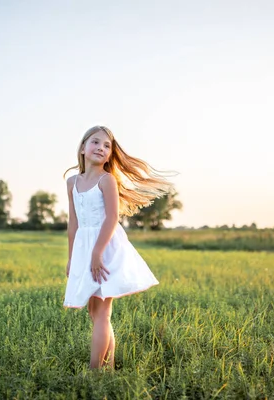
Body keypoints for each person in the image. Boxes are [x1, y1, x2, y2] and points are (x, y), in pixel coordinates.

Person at [63, 125, 173, 369]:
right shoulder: (72, 182)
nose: (101, 148)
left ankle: (95, 372)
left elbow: (112, 218)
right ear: (82, 148)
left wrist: (97, 254)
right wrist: (72, 258)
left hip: (106, 249)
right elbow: (74, 223)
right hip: (85, 248)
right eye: (95, 142)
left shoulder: (107, 180)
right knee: (95, 312)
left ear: (110, 154)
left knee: (102, 312)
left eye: (106, 146)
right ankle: (108, 367)